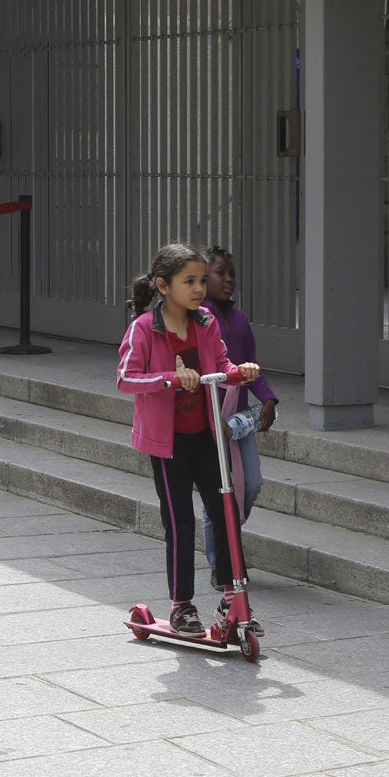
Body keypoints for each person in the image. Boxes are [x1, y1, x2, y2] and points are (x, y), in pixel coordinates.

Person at [117, 242, 260, 635]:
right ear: (163, 285)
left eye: (201, 280)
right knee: (179, 521)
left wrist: (239, 370)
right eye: (189, 281)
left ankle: (235, 599)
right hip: (168, 444)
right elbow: (125, 379)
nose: (199, 289)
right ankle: (182, 605)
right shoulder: (144, 329)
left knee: (224, 512)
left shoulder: (205, 323)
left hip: (206, 436)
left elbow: (221, 364)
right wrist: (169, 379)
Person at [202, 245, 278, 584]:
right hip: (210, 414)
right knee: (219, 491)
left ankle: (230, 538)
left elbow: (251, 368)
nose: (229, 279)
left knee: (251, 483)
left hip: (239, 417)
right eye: (221, 273)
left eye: (232, 273)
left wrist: (268, 400)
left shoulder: (240, 318)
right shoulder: (200, 317)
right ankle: (223, 563)